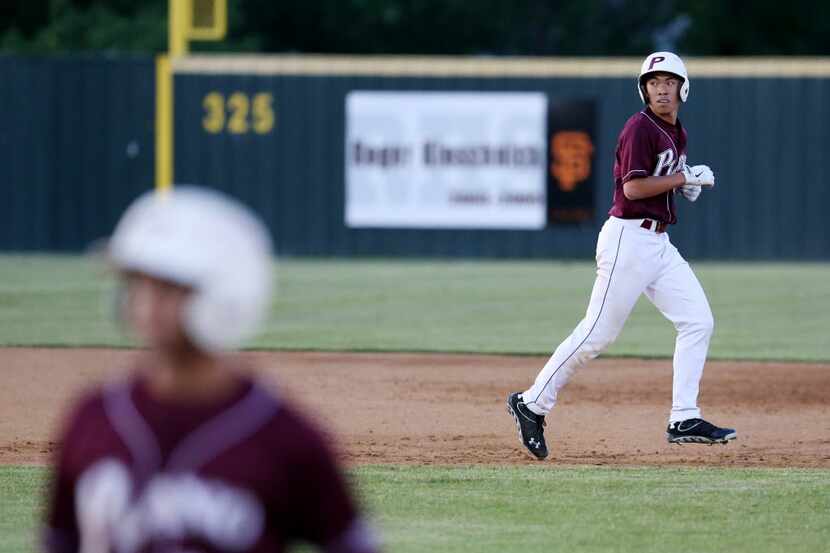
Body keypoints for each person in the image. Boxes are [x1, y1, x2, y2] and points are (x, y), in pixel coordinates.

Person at [43, 187, 380, 552]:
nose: (146, 303)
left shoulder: (284, 440)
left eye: (168, 288)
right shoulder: (91, 419)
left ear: (224, 294)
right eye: (138, 283)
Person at [507, 52, 736, 461]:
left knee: (698, 320)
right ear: (643, 89)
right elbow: (631, 190)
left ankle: (684, 417)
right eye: (653, 82)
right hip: (628, 240)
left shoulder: (675, 132)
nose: (661, 89)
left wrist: (678, 186)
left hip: (658, 244)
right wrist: (683, 177)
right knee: (597, 334)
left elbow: (655, 180)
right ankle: (531, 403)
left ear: (683, 87)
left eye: (668, 81)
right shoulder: (639, 127)